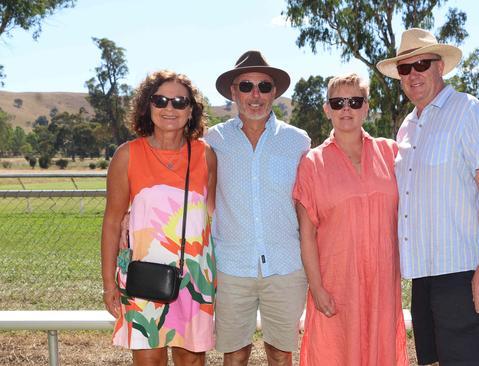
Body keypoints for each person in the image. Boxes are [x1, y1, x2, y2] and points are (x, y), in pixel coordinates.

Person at [377, 28, 479, 365]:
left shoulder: (467, 111)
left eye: (422, 63)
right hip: (422, 274)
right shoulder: (407, 127)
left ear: (441, 67)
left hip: (461, 273)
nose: (413, 74)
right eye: (405, 68)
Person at [101, 70, 217, 366]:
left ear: (191, 110)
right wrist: (108, 283)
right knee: (149, 360)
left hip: (194, 276)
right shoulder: (127, 155)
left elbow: (212, 218)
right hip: (142, 275)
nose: (170, 108)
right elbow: (112, 222)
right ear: (147, 106)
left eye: (180, 102)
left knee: (191, 360)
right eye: (160, 100)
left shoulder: (206, 155)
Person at [293, 73, 409, 366]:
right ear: (327, 109)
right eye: (338, 102)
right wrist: (317, 288)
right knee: (336, 352)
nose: (347, 108)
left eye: (355, 102)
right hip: (337, 284)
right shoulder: (312, 162)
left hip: (383, 283)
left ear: (367, 107)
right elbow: (306, 234)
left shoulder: (390, 152)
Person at [205, 50, 310, 366]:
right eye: (246, 85)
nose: (255, 94)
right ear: (233, 91)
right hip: (231, 265)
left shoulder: (298, 141)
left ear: (274, 92)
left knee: (280, 353)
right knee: (235, 353)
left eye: (264, 87)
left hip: (286, 265)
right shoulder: (213, 140)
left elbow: (308, 203)